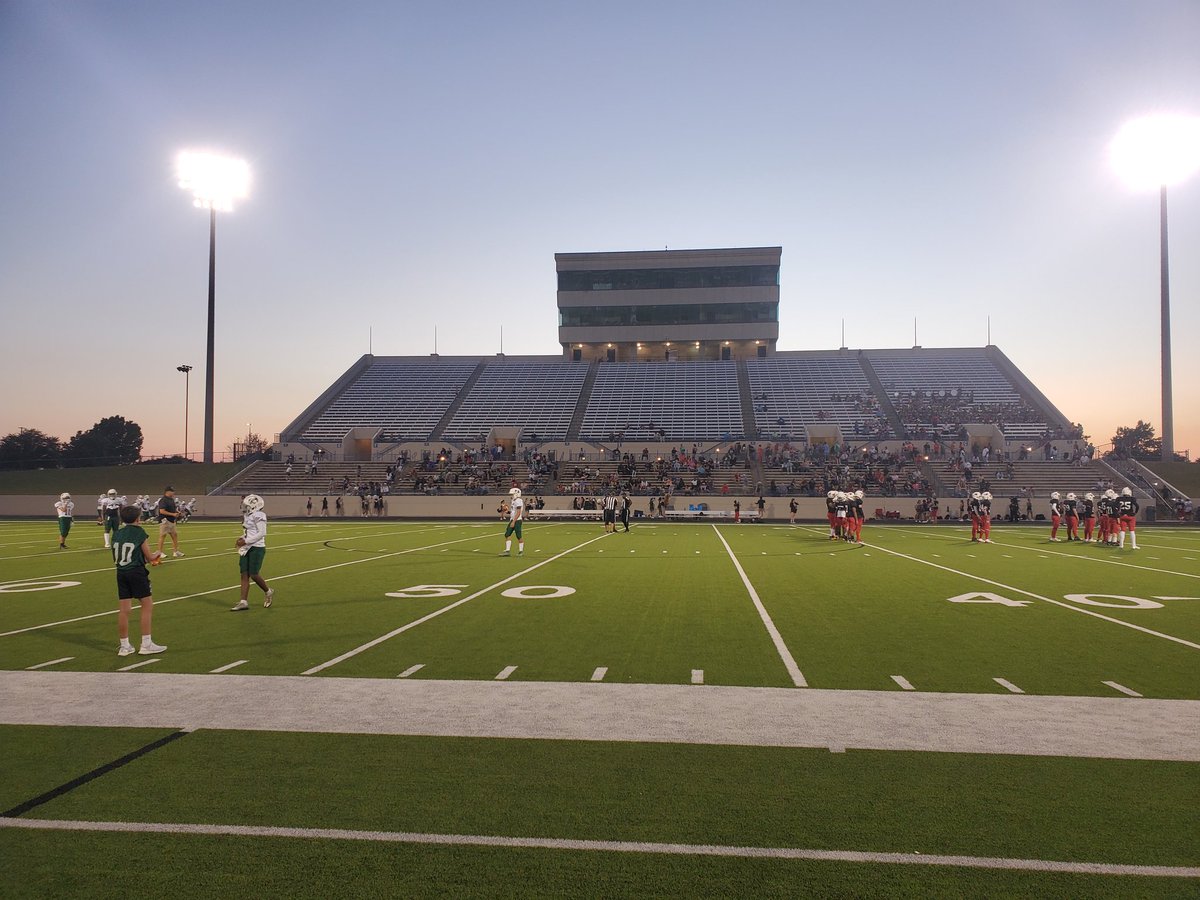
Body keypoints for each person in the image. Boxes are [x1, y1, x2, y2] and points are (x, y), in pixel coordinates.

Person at [111, 505, 166, 656]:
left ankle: (124, 646)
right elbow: (149, 557)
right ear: (138, 518)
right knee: (147, 605)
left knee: (124, 610)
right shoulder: (139, 532)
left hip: (121, 572)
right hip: (136, 572)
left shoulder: (117, 534)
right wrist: (158, 554)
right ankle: (146, 644)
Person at [231, 494, 274, 611]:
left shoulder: (260, 515)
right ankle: (243, 602)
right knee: (244, 574)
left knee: (254, 574)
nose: (244, 506)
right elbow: (249, 532)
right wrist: (241, 539)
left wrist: (245, 541)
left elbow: (262, 533)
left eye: (246, 504)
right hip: (246, 548)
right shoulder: (247, 515)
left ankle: (268, 591)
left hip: (257, 547)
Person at [155, 486, 185, 558]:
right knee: (163, 536)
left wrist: (178, 512)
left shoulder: (171, 500)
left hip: (172, 520)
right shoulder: (163, 500)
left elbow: (173, 509)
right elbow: (162, 511)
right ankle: (160, 552)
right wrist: (173, 514)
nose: (173, 493)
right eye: (172, 491)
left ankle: (175, 551)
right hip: (165, 520)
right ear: (167, 492)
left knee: (174, 535)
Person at [501, 487, 524, 556]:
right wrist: (507, 511)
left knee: (518, 536)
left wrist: (513, 521)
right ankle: (507, 551)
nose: (511, 495)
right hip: (512, 519)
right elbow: (513, 512)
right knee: (507, 534)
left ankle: (521, 551)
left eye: (512, 494)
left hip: (517, 520)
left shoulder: (518, 500)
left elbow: (518, 512)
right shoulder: (513, 501)